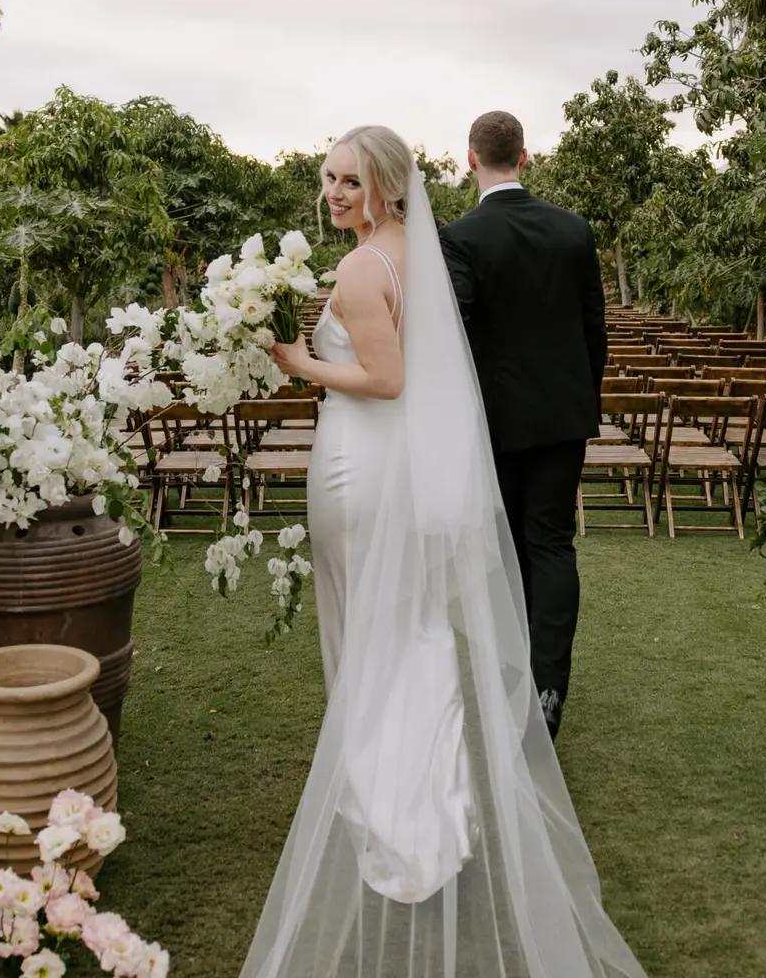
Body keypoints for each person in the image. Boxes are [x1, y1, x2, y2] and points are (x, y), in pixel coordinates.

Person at [258, 125, 644, 978]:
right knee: (426, 623)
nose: (333, 193)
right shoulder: (428, 248)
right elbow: (575, 329)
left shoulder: (382, 261)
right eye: (327, 179)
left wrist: (296, 360)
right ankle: (451, 788)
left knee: (371, 636)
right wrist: (583, 397)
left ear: (391, 183)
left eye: (348, 180)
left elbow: (394, 376)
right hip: (513, 429)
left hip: (370, 461)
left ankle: (397, 816)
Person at [436, 109, 607, 738]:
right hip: (564, 416)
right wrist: (580, 402)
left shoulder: (460, 237)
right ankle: (549, 687)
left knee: (506, 549)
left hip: (496, 422)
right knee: (553, 544)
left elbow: (456, 334)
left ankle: (514, 679)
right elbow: (596, 331)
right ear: (525, 157)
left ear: (471, 160)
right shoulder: (574, 230)